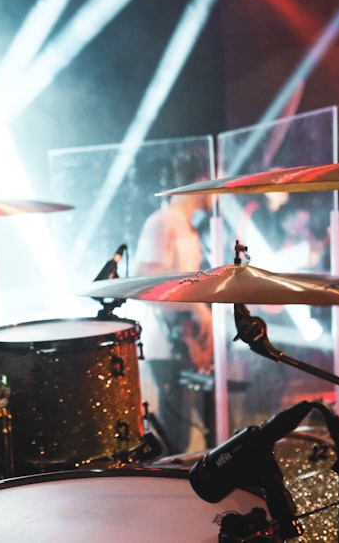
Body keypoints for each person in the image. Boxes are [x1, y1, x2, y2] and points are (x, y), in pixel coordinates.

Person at [133, 147, 215, 455]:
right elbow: (144, 283)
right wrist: (194, 307)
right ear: (202, 179)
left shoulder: (188, 227)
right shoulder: (162, 222)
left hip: (185, 345)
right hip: (166, 346)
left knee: (193, 434)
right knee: (174, 442)